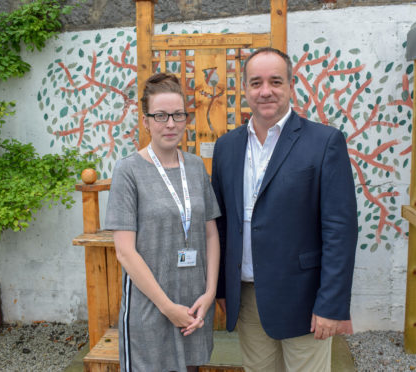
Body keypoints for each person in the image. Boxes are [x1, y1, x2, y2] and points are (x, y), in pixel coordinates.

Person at [211, 47, 358, 371]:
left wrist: (332, 305)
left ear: (291, 85)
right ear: (246, 89)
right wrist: (223, 289)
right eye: (256, 82)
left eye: (275, 81)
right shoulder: (227, 147)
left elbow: (340, 230)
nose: (266, 91)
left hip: (304, 300)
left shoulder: (324, 142)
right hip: (248, 298)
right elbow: (221, 226)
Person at [105, 72, 221, 372]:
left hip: (193, 304)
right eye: (160, 116)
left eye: (177, 115)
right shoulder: (128, 171)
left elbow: (210, 234)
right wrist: (167, 307)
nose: (170, 124)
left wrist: (209, 294)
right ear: (146, 121)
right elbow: (125, 252)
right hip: (151, 307)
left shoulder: (196, 167)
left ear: (186, 118)